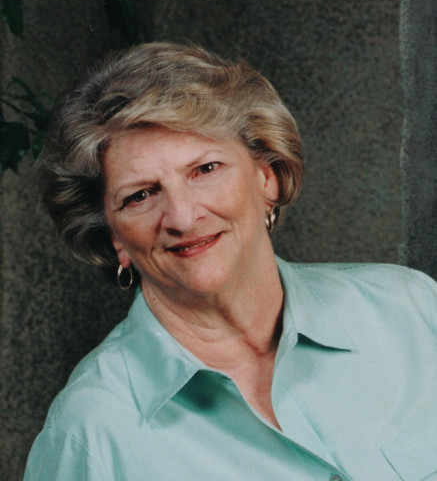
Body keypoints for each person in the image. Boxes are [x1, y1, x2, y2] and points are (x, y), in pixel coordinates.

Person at [24, 42, 437, 481]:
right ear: (114, 239)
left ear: (267, 177)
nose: (183, 217)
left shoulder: (413, 311)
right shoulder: (89, 433)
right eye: (140, 195)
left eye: (205, 170)